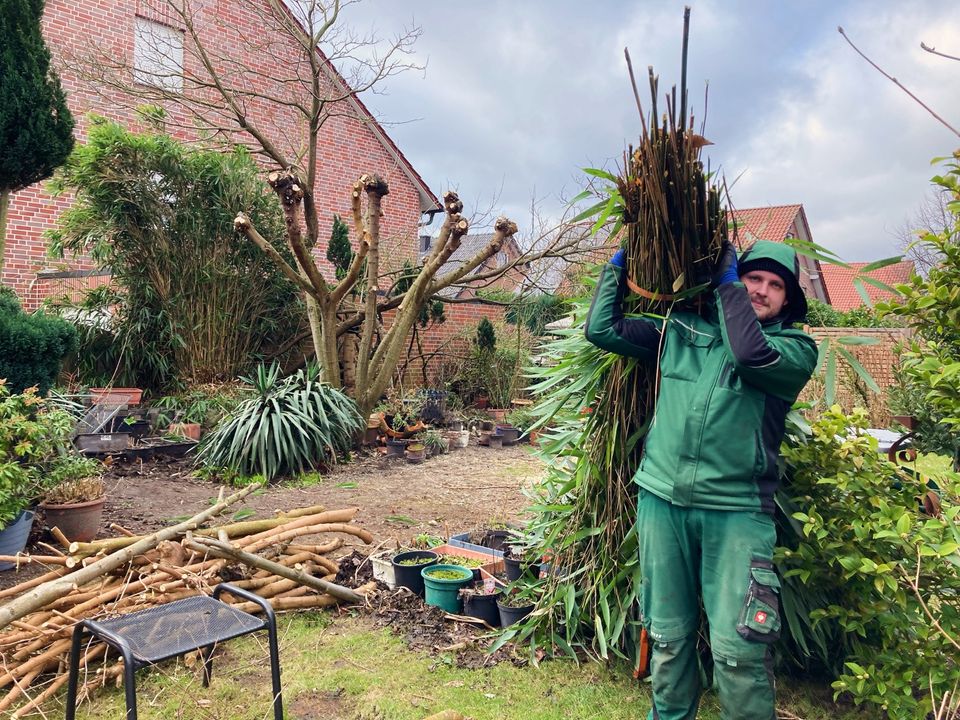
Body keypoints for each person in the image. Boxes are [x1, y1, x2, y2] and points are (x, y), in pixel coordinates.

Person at [584, 239, 818, 720]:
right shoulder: (682, 328)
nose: (761, 290)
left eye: (775, 286)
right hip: (661, 500)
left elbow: (749, 353)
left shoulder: (794, 351)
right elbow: (602, 329)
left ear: (788, 301)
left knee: (740, 649)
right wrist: (619, 265)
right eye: (753, 277)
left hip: (736, 511)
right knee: (667, 635)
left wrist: (727, 283)